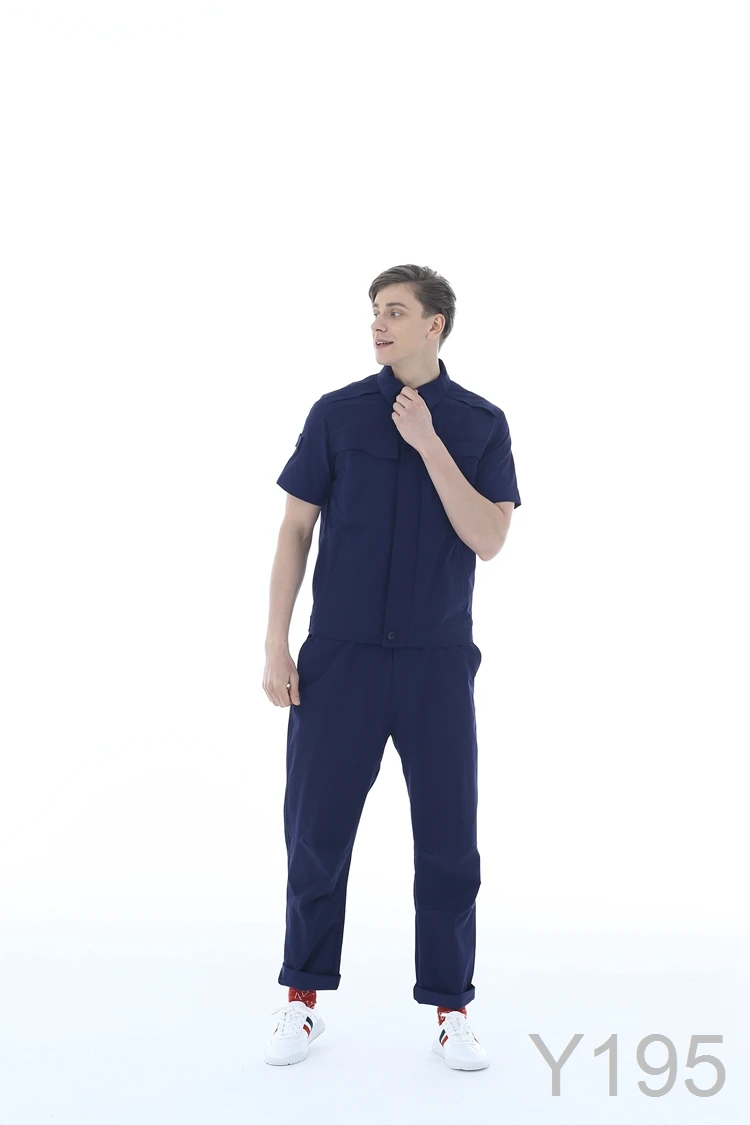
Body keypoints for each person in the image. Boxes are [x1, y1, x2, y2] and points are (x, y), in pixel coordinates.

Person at [262, 264, 521, 1070]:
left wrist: (429, 443)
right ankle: (302, 1000)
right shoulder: (336, 414)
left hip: (436, 664)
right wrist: (275, 644)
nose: (378, 323)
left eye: (396, 311)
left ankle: (452, 1009)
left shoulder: (480, 423)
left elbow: (490, 537)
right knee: (316, 833)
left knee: (449, 841)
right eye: (375, 310)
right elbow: (294, 530)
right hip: (338, 660)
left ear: (434, 325)